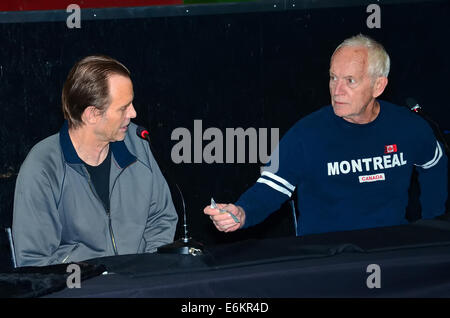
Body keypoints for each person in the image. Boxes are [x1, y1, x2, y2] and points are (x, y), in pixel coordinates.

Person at [204, 34, 448, 236]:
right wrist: (242, 213)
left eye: (350, 81)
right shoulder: (307, 134)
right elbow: (270, 188)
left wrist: (429, 227)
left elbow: (435, 164)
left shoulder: (408, 127)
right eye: (333, 78)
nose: (337, 90)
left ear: (378, 86)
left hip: (390, 252)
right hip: (326, 259)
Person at [12, 55, 178, 267]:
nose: (133, 113)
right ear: (91, 115)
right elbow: (34, 260)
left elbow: (161, 218)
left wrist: (148, 268)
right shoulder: (43, 166)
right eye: (123, 108)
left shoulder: (138, 145)